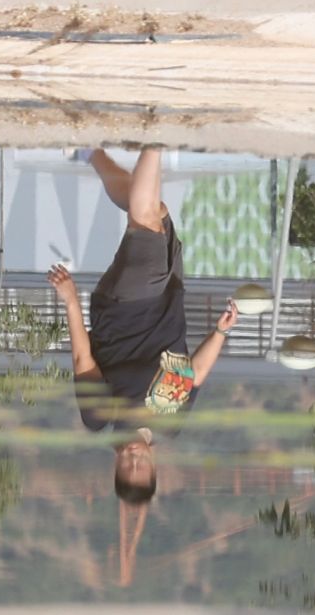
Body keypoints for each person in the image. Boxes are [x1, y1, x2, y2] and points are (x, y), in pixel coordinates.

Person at [47, 146, 240, 504]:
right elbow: (194, 374)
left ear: (116, 467)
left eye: (127, 468)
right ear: (154, 465)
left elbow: (82, 359)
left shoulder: (100, 418)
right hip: (169, 295)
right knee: (155, 213)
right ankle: (90, 152)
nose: (134, 460)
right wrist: (221, 332)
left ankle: (155, 137)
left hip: (126, 306)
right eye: (142, 468)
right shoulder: (170, 421)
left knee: (146, 220)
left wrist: (70, 300)